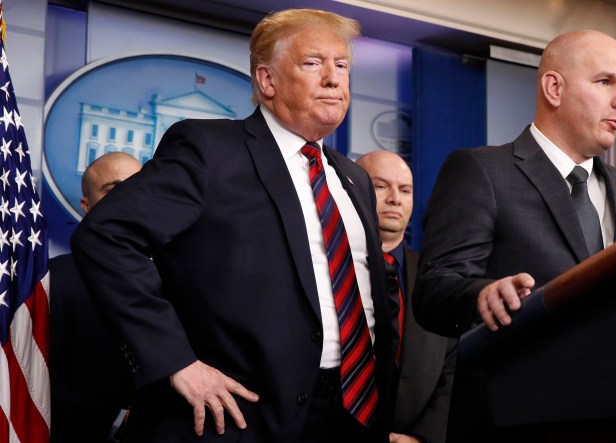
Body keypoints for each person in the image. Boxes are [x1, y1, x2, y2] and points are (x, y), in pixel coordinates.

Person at [71, 8, 396, 443]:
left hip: (350, 415)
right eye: (313, 63)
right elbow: (105, 236)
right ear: (267, 81)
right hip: (241, 420)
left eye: (342, 65)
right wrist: (174, 361)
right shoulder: (208, 149)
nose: (334, 79)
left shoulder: (354, 178)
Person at [412, 30, 616, 442]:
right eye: (605, 82)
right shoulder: (482, 170)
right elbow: (434, 289)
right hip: (513, 421)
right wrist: (481, 295)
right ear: (554, 88)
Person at [356, 150, 457, 443]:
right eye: (380, 186)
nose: (395, 199)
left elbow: (453, 370)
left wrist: (422, 437)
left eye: (405, 190)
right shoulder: (327, 269)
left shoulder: (437, 279)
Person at [50, 151, 142, 443]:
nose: (131, 198)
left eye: (140, 187)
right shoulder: (51, 280)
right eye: (114, 190)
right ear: (86, 205)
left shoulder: (184, 281)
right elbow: (32, 378)